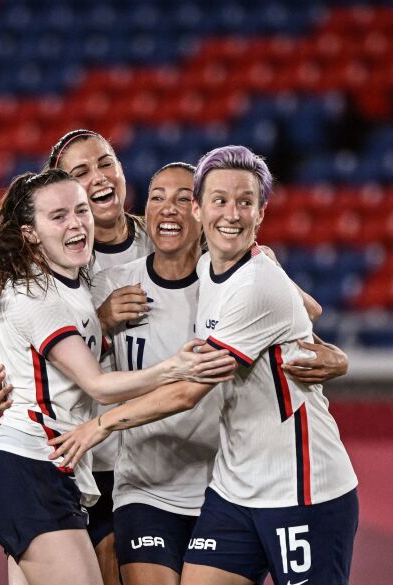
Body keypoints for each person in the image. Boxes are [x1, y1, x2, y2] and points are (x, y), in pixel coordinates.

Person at [48, 146, 359, 585]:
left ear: (261, 212)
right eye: (219, 201)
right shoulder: (207, 268)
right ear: (202, 208)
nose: (230, 214)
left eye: (245, 203)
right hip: (226, 488)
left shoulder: (253, 281)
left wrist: (101, 425)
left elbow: (190, 388)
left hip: (297, 484)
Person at [0, 168, 236, 585]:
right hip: (31, 470)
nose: (76, 222)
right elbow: (96, 383)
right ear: (29, 233)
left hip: (49, 472)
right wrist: (176, 366)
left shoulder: (74, 283)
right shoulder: (38, 294)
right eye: (58, 216)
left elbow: (11, 348)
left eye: (81, 211)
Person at [45, 128, 153, 583]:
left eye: (106, 162)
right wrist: (100, 322)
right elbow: (16, 349)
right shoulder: (55, 262)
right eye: (81, 172)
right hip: (100, 460)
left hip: (174, 456)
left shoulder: (171, 238)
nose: (99, 177)